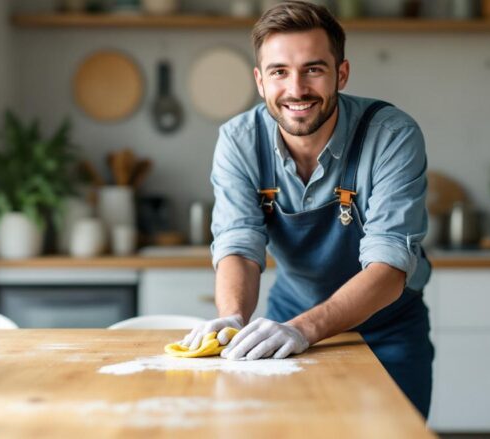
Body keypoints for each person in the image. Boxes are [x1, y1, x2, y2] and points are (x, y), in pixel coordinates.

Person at [180, 0, 434, 418]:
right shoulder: (239, 140)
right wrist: (232, 319)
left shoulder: (391, 135)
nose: (296, 89)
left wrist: (305, 330)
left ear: (342, 74)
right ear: (260, 82)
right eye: (280, 72)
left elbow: (389, 268)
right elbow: (239, 246)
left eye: (313, 69)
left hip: (387, 331)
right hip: (288, 322)